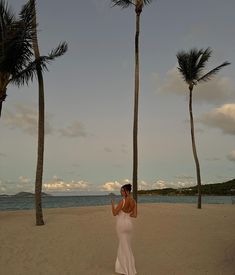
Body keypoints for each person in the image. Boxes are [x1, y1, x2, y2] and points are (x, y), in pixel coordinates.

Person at [111, 183, 137, 275]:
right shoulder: (134, 201)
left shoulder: (123, 201)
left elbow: (114, 213)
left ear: (127, 191)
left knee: (123, 246)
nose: (121, 192)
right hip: (129, 225)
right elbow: (135, 215)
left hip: (121, 225)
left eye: (122, 190)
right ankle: (128, 268)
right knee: (127, 246)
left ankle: (126, 270)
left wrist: (112, 204)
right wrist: (128, 214)